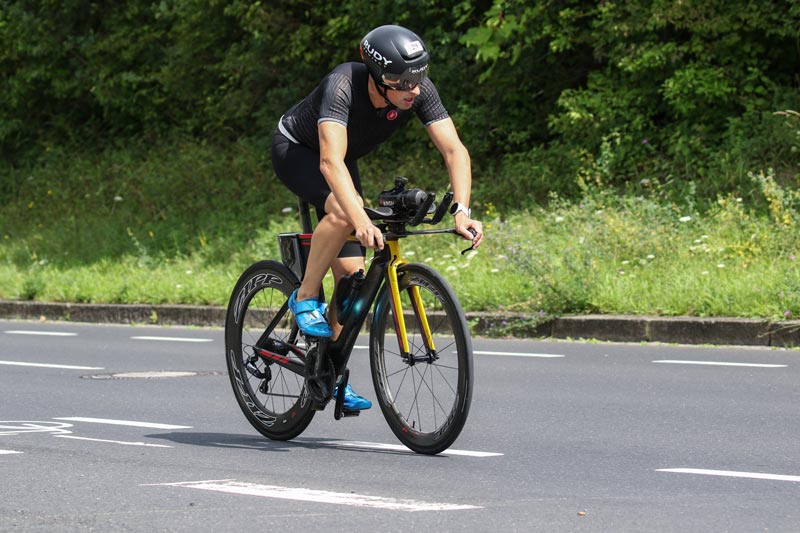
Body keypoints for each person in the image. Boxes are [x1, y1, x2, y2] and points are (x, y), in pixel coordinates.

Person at [271, 24, 484, 410]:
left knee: (352, 282)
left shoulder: (417, 89)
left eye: (418, 79)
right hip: (298, 151)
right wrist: (360, 219)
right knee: (344, 213)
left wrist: (462, 210)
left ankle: (328, 372)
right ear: (378, 77)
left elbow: (455, 150)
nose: (413, 90)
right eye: (403, 83)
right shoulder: (342, 84)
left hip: (342, 159)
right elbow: (328, 162)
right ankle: (304, 297)